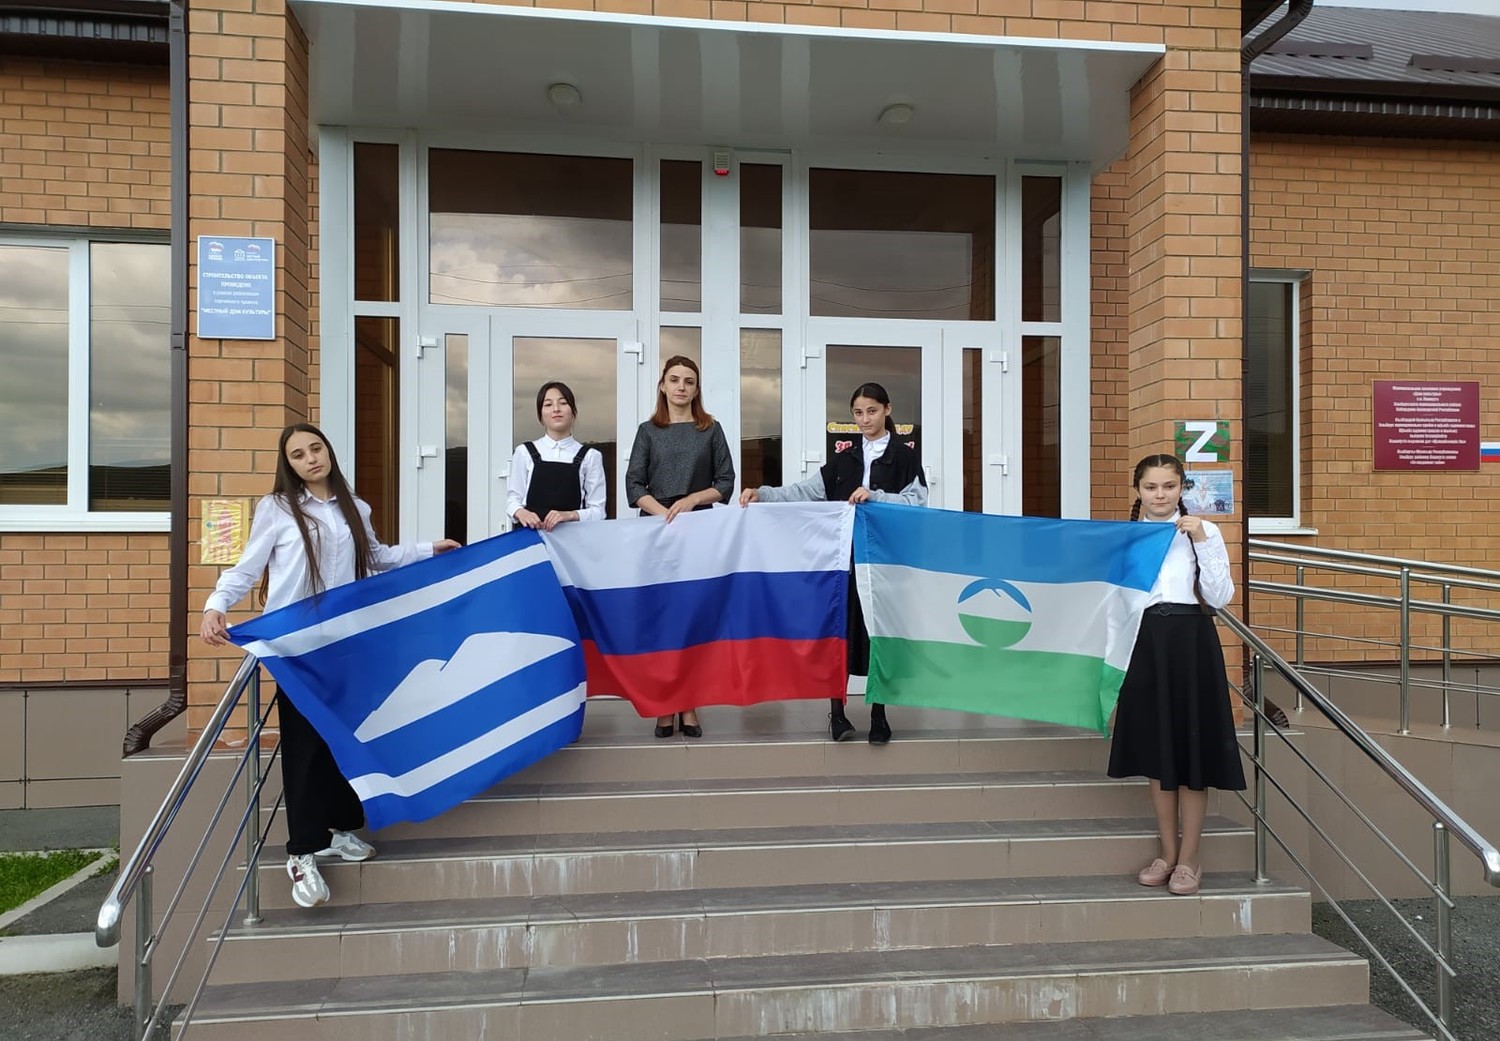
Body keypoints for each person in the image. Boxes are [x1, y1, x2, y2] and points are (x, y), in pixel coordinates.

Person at [200, 423, 460, 909]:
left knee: (346, 737)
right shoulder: (277, 509)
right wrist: (217, 604)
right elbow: (249, 566)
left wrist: (429, 549)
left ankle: (340, 828)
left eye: (315, 448)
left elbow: (377, 557)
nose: (310, 459)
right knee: (305, 745)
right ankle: (302, 850)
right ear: (289, 465)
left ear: (329, 451)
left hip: (345, 642)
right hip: (298, 647)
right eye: (298, 455)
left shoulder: (354, 507)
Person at [739, 382, 926, 745]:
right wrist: (764, 494)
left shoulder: (904, 457)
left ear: (887, 410)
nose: (864, 419)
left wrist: (876, 497)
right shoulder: (845, 458)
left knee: (877, 634)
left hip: (883, 563)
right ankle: (837, 714)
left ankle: (879, 714)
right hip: (843, 560)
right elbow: (805, 491)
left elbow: (917, 503)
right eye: (858, 413)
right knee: (838, 633)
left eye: (871, 411)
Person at [1107, 452, 1243, 897]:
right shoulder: (1128, 537)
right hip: (1145, 644)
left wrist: (1201, 539)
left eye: (1169, 486)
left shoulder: (1205, 532)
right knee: (1158, 751)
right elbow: (1116, 603)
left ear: (1182, 487)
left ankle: (1190, 858)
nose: (1160, 495)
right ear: (1138, 490)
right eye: (1151, 487)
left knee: (1192, 753)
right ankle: (1166, 853)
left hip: (1191, 643)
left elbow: (1219, 597)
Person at [626, 354, 735, 739]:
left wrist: (691, 501)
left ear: (696, 388)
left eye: (689, 381)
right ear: (662, 385)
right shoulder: (648, 431)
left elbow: (726, 481)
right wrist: (665, 514)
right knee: (662, 619)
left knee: (692, 619)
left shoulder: (710, 429)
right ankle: (664, 704)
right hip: (657, 532)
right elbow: (633, 485)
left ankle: (689, 703)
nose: (681, 387)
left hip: (698, 530)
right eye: (674, 379)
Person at [507, 381, 607, 531]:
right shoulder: (524, 452)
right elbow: (512, 501)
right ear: (540, 415)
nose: (556, 409)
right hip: (530, 538)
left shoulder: (590, 456)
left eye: (563, 403)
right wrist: (521, 512)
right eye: (548, 404)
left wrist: (570, 515)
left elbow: (598, 512)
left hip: (573, 538)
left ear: (573, 413)